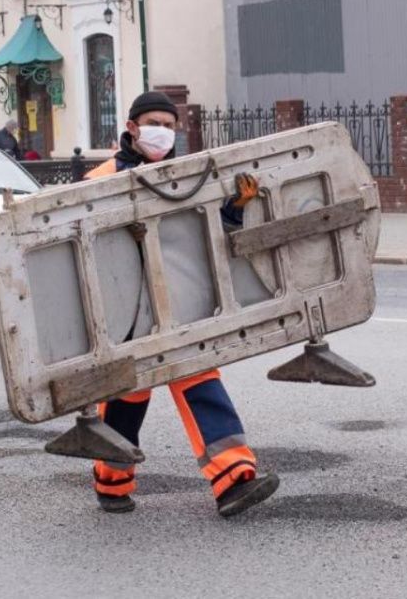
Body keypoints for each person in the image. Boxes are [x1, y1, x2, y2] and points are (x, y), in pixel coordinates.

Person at [84, 91, 280, 517]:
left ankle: (234, 477)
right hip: (129, 313)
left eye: (171, 126)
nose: (164, 132)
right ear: (132, 128)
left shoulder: (187, 176)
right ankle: (112, 483)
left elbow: (202, 233)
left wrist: (235, 209)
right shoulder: (101, 179)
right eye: (155, 123)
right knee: (128, 398)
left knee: (198, 379)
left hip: (177, 304)